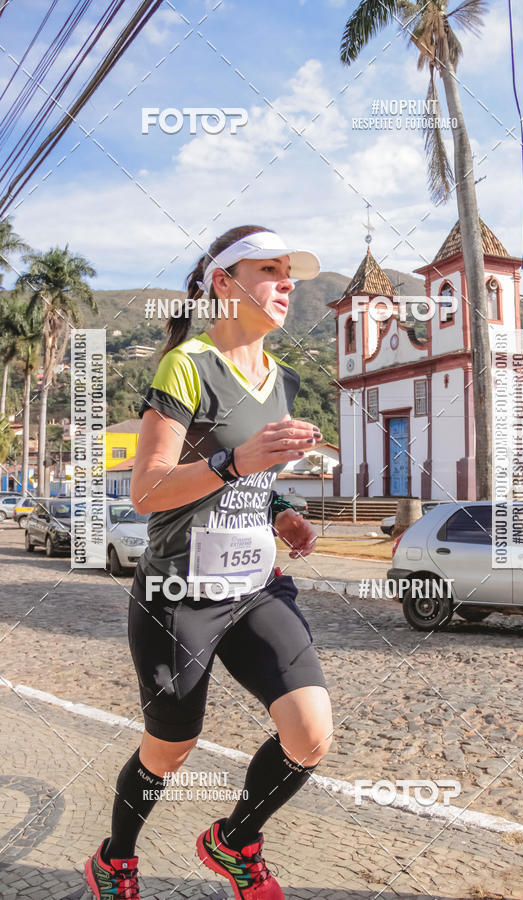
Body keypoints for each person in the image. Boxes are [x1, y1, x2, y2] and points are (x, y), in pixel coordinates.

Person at [85, 225, 333, 900]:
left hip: (254, 588)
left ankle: (235, 841)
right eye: (271, 270)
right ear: (225, 284)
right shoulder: (188, 365)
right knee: (170, 751)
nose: (288, 283)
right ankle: (115, 858)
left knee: (310, 734)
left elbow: (250, 477)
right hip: (178, 592)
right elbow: (147, 491)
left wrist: (278, 506)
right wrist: (236, 462)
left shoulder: (278, 379)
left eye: (292, 274)